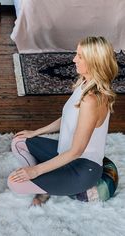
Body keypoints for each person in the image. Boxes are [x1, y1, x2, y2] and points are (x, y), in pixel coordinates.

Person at [8, 36, 118, 205]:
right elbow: (68, 117)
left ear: (94, 62)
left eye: (80, 56)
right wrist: (36, 132)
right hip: (64, 153)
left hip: (82, 169)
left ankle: (44, 188)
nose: (74, 59)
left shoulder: (92, 100)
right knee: (19, 141)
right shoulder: (85, 82)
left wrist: (35, 171)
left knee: (14, 183)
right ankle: (47, 184)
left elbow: (76, 152)